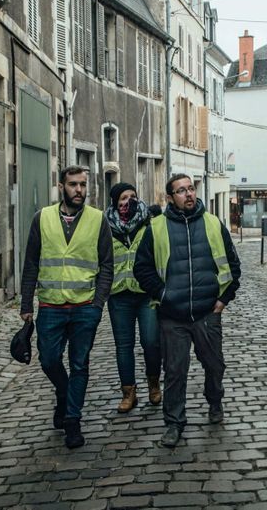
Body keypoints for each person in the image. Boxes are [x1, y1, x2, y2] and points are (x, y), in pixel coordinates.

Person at [134, 174, 241, 448]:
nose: (189, 194)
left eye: (191, 188)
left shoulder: (213, 224)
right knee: (174, 371)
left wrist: (224, 299)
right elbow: (142, 269)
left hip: (207, 312)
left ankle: (215, 401)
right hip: (173, 315)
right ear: (170, 198)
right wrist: (163, 295)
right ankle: (174, 422)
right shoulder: (156, 228)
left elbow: (233, 264)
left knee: (214, 365)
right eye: (181, 191)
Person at [20, 166, 113, 449]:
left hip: (85, 306)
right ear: (62, 186)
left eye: (83, 185)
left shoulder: (98, 219)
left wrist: (98, 304)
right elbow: (32, 263)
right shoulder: (43, 218)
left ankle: (73, 419)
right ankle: (64, 392)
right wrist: (26, 304)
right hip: (51, 305)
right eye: (73, 185)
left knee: (79, 364)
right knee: (48, 360)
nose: (79, 191)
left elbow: (107, 265)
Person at [105, 182, 161, 412]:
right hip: (119, 294)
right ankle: (128, 392)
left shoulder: (150, 222)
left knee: (150, 341)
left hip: (146, 293)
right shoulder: (105, 226)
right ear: (115, 203)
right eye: (123, 198)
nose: (128, 201)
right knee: (123, 346)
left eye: (132, 196)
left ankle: (154, 384)